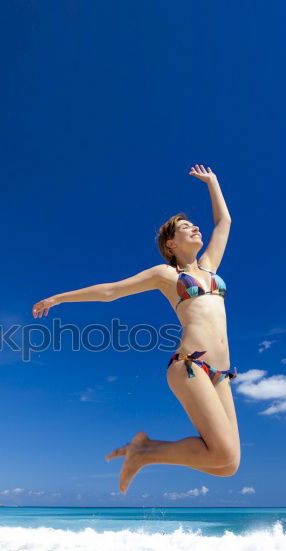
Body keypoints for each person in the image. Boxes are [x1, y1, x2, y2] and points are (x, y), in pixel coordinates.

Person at [31, 164, 238, 494]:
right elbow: (111, 291)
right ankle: (143, 453)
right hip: (191, 364)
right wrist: (59, 298)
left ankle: (144, 449)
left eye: (193, 224)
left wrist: (213, 183)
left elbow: (223, 223)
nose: (195, 227)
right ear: (171, 244)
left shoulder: (210, 266)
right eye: (186, 227)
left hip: (221, 372)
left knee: (228, 464)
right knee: (223, 453)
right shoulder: (166, 275)